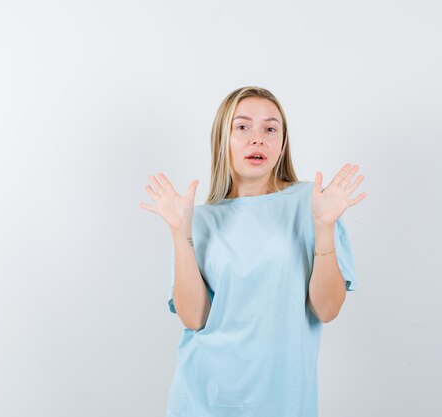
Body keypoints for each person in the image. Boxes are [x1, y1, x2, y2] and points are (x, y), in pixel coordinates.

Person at [139, 86, 367, 417]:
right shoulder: (197, 218)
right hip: (203, 400)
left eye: (270, 129)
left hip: (284, 402)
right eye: (243, 126)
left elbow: (327, 309)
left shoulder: (313, 203)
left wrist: (324, 227)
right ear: (222, 139)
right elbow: (195, 318)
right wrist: (180, 234)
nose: (257, 138)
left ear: (282, 144)